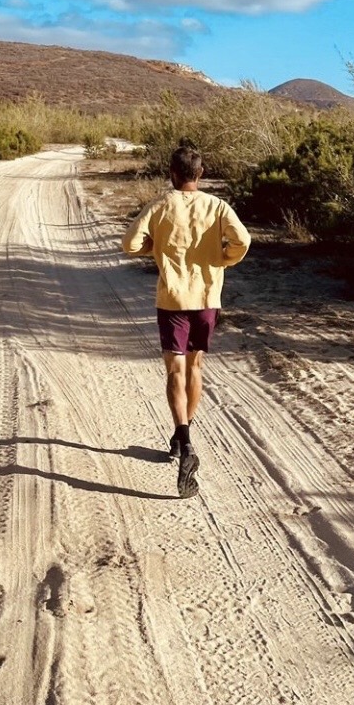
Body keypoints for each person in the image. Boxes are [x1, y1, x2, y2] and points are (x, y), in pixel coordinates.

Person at [121, 145, 251, 499]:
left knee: (174, 371)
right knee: (196, 367)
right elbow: (243, 241)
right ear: (201, 173)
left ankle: (185, 438)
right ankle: (183, 435)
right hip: (207, 298)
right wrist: (222, 260)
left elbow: (130, 243)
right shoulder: (218, 206)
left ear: (172, 174)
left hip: (173, 300)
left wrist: (155, 248)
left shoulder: (160, 205)